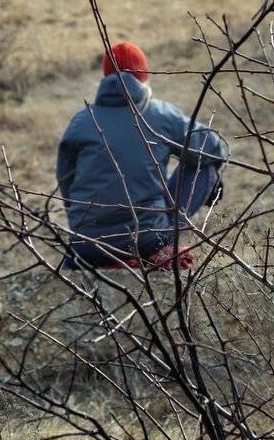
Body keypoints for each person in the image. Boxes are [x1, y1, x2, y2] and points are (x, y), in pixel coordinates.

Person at [56, 41, 227, 270]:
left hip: (87, 244)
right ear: (144, 78)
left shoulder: (81, 121)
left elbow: (66, 182)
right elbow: (215, 149)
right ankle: (161, 239)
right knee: (206, 166)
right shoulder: (161, 115)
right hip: (147, 241)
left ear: (105, 79)